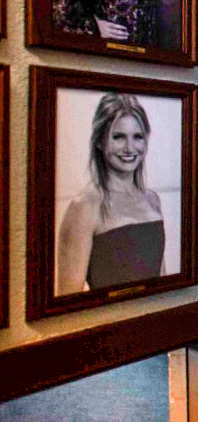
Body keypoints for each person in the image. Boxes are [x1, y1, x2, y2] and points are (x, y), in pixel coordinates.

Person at [56, 93, 165, 294]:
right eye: (118, 137)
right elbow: (68, 298)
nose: (129, 148)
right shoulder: (84, 206)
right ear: (99, 141)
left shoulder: (152, 200)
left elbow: (162, 286)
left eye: (138, 137)